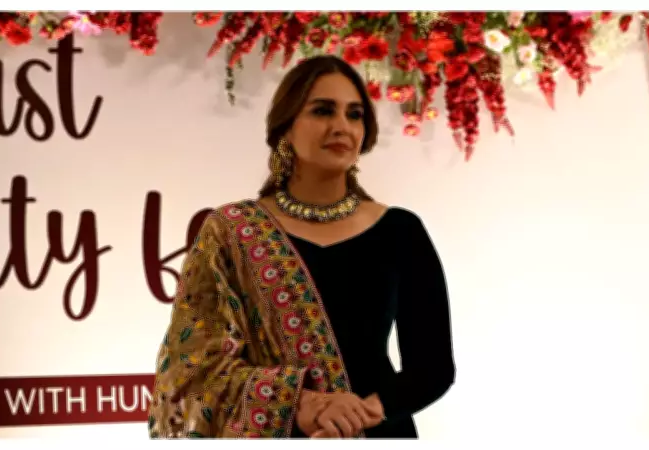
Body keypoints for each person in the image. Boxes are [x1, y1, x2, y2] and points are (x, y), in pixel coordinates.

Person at [148, 55, 456, 439]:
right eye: (323, 110)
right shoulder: (232, 232)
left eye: (355, 114)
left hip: (378, 431)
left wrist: (361, 414)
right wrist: (301, 403)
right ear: (286, 127)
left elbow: (432, 368)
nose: (341, 126)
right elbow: (194, 369)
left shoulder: (400, 231)